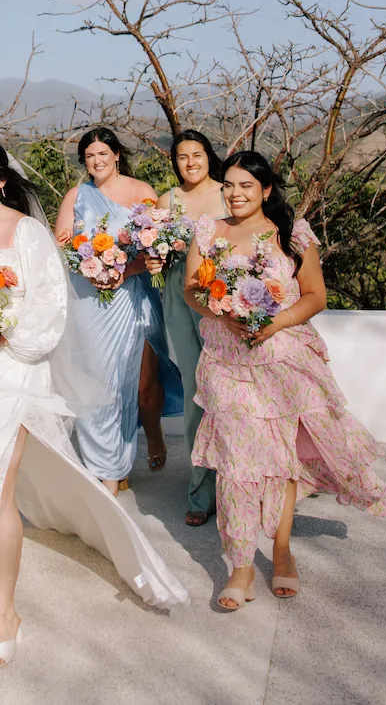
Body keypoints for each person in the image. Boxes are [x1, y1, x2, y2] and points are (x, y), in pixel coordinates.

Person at [0, 137, 188, 672]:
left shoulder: (26, 231)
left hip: (12, 375)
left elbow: (49, 305)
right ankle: (19, 553)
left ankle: (3, 615)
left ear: (1, 178)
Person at [185, 151, 386, 609]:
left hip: (284, 362)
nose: (236, 194)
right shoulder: (208, 232)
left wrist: (273, 324)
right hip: (227, 361)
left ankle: (282, 552)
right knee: (238, 463)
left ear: (266, 190)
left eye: (246, 186)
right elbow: (192, 290)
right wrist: (223, 312)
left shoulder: (292, 234)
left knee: (281, 461)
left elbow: (315, 295)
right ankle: (240, 566)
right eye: (229, 186)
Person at [55, 128, 183, 494]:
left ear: (116, 155)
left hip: (134, 296)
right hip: (89, 299)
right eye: (89, 156)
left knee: (141, 381)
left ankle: (151, 436)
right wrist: (92, 268)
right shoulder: (77, 195)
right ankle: (108, 466)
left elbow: (157, 249)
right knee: (100, 384)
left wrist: (123, 270)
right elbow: (63, 246)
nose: (96, 161)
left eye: (103, 154)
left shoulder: (142, 192)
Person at [152, 130, 226, 527]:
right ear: (175, 162)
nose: (190, 163)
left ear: (208, 156)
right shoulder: (169, 201)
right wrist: (153, 259)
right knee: (196, 389)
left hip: (220, 298)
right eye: (182, 157)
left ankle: (236, 485)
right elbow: (156, 251)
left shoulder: (227, 193)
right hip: (180, 299)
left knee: (228, 388)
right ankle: (200, 493)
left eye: (197, 155)